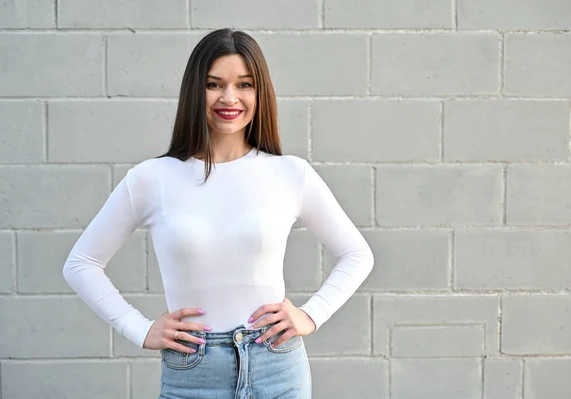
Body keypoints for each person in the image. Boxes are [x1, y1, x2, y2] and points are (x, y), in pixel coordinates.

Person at [63, 28, 374, 399]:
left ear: (261, 92)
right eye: (215, 84)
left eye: (244, 84)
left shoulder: (290, 173)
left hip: (278, 368)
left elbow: (357, 254)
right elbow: (81, 263)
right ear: (196, 90)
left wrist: (311, 314)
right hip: (193, 371)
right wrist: (139, 328)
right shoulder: (152, 178)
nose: (230, 97)